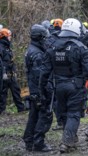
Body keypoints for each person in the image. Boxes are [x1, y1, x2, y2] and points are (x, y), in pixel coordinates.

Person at [39, 18, 88, 153]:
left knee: (64, 113)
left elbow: (44, 72)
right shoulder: (80, 47)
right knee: (74, 113)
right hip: (76, 87)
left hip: (58, 87)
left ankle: (71, 139)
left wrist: (41, 88)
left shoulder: (52, 46)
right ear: (76, 30)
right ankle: (66, 142)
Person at [23, 24, 53, 152]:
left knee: (34, 115)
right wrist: (43, 92)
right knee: (45, 115)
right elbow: (39, 76)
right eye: (45, 38)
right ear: (40, 38)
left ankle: (29, 140)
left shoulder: (31, 50)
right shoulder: (37, 54)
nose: (46, 40)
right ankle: (38, 143)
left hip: (33, 89)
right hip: (39, 90)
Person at [0, 28, 25, 113]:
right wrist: (3, 73)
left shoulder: (7, 47)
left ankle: (21, 108)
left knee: (16, 90)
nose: (10, 38)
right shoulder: (1, 47)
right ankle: (2, 110)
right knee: (3, 92)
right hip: (4, 74)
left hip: (11, 73)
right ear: (4, 36)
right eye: (9, 36)